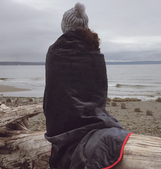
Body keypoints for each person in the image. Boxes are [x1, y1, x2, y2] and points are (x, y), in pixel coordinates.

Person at [43, 3, 132, 169]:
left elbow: (53, 93)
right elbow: (100, 92)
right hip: (94, 114)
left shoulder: (54, 51)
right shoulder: (94, 51)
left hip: (61, 123)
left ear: (64, 26)